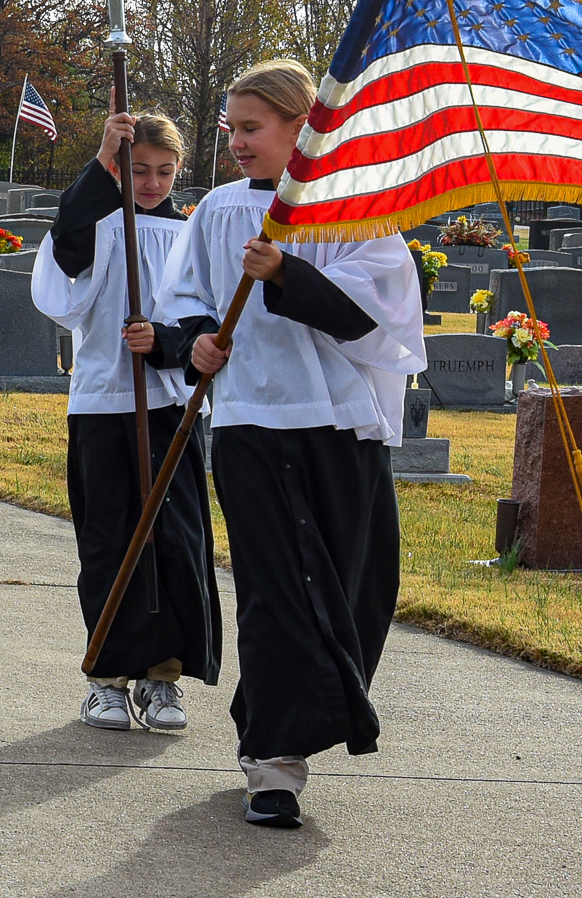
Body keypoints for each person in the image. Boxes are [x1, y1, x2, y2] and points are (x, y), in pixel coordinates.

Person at [159, 59, 426, 830]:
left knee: (348, 590)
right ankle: (273, 763)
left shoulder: (354, 206)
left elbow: (377, 317)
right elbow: (188, 301)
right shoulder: (215, 210)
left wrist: (286, 272)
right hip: (249, 424)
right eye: (231, 129)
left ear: (300, 126)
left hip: (337, 427)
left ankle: (276, 718)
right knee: (277, 594)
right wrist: (196, 343)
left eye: (252, 127)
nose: (237, 142)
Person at [31, 111, 217, 739]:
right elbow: (66, 257)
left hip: (170, 406)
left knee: (174, 542)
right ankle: (108, 677)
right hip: (104, 403)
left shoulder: (191, 234)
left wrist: (163, 342)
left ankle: (162, 675)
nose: (152, 183)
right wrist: (101, 160)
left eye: (165, 172)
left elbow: (205, 319)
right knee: (110, 540)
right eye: (138, 170)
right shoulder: (102, 222)